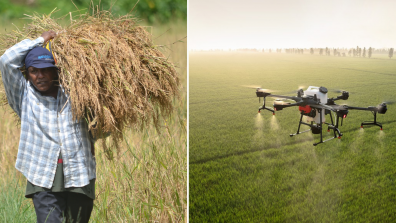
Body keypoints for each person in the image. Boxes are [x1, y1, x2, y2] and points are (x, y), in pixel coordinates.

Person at [0, 31, 96, 223]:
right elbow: (6, 60)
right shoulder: (23, 95)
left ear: (56, 70)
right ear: (26, 73)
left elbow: (101, 126)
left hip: (80, 173)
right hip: (42, 175)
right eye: (34, 71)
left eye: (45, 70)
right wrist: (40, 40)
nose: (40, 76)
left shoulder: (77, 94)